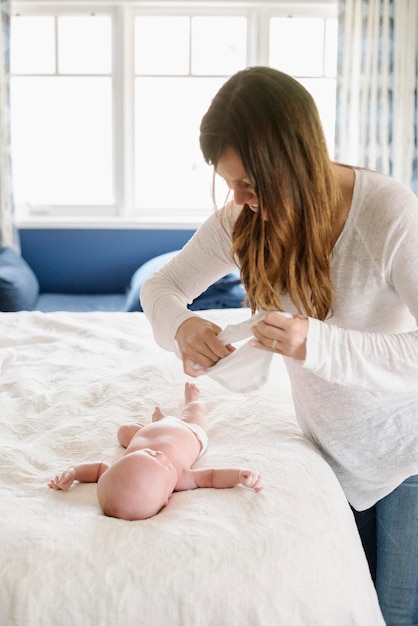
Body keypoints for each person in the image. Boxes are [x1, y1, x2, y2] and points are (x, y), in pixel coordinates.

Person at [140, 66, 418, 624]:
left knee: (395, 609)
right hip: (325, 453)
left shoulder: (388, 213)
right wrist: (180, 327)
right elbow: (161, 286)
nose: (239, 199)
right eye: (229, 184)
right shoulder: (243, 219)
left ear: (295, 159)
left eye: (250, 183)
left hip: (405, 454)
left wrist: (316, 342)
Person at [48, 382, 262, 520]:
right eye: (164, 464)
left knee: (124, 432)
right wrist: (238, 476)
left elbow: (96, 470)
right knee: (196, 412)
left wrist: (74, 473)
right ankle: (191, 402)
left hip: (149, 433)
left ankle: (156, 423)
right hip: (189, 430)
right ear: (167, 497)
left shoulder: (120, 471)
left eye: (146, 455)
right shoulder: (181, 479)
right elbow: (214, 476)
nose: (159, 454)